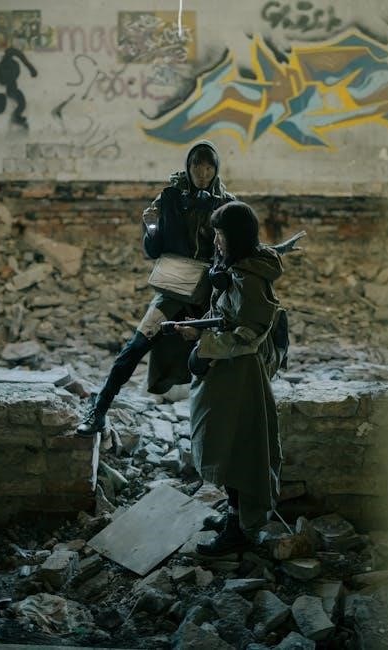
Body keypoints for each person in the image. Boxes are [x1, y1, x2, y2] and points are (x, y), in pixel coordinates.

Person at [77, 140, 235, 436]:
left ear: (216, 169)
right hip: (173, 290)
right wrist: (150, 227)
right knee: (135, 347)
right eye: (197, 166)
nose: (202, 173)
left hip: (209, 298)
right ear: (188, 167)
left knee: (219, 360)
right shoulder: (170, 198)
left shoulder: (226, 204)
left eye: (208, 167)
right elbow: (153, 249)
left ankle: (225, 431)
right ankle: (99, 410)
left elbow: (234, 253)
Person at [175, 201, 286, 555]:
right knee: (222, 443)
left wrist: (201, 340)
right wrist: (202, 328)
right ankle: (233, 517)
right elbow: (227, 317)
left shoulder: (249, 278)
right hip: (226, 372)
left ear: (235, 236)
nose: (216, 241)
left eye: (221, 234)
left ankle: (237, 529)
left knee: (236, 450)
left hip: (240, 376)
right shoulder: (235, 269)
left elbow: (248, 335)